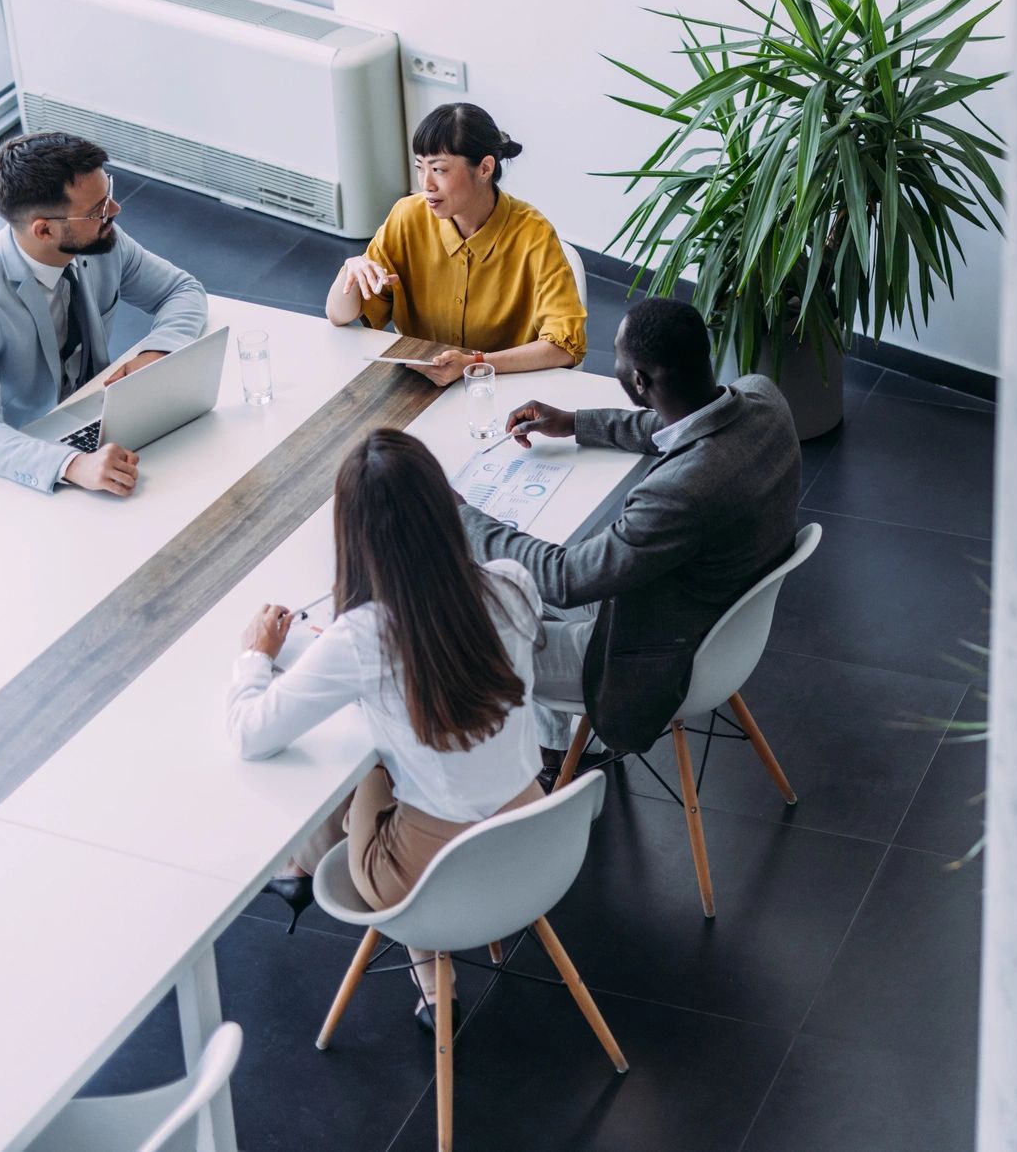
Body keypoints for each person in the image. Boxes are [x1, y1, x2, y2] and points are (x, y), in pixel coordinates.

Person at [226, 428, 549, 1030]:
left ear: (355, 537)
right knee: (394, 745)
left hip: (425, 877)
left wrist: (255, 656)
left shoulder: (365, 637)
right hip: (533, 839)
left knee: (365, 761)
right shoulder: (512, 584)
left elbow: (250, 733)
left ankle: (304, 872)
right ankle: (425, 978)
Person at [456, 296, 802, 778]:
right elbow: (683, 425)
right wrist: (576, 423)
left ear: (639, 381)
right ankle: (561, 749)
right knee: (521, 573)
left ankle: (504, 763)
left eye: (619, 361)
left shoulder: (680, 493)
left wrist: (456, 514)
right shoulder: (764, 398)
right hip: (720, 616)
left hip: (650, 657)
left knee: (464, 618)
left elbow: (565, 578)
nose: (615, 366)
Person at [0, 132, 207, 500]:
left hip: (82, 425)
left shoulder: (102, 240)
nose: (115, 211)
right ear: (44, 229)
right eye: (96, 210)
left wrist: (158, 351)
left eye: (109, 193)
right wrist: (71, 465)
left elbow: (182, 290)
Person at [325, 102, 586, 387]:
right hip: (418, 389)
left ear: (485, 168)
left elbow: (565, 347)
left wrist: (476, 364)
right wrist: (349, 270)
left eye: (439, 169)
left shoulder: (533, 234)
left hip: (503, 389)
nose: (426, 183)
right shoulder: (407, 216)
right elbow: (339, 315)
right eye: (419, 167)